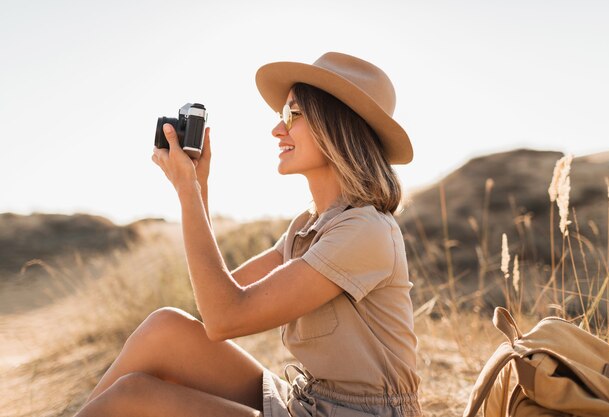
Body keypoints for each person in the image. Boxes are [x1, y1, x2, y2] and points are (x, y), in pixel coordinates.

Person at [73, 52, 422, 417]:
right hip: (310, 402)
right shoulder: (308, 227)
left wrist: (188, 192)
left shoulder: (365, 230)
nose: (277, 129)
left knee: (133, 398)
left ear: (338, 127)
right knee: (165, 328)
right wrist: (197, 188)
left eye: (293, 115)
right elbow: (214, 308)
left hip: (364, 414)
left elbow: (228, 318)